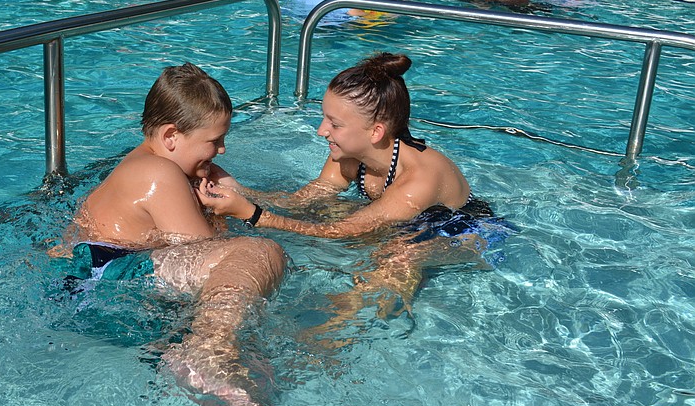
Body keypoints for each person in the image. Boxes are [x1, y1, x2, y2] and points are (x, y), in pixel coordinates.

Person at [54, 63, 287, 406]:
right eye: (214, 141)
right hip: (103, 272)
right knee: (259, 253)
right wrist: (221, 216)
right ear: (171, 136)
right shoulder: (159, 174)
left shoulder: (153, 163)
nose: (222, 150)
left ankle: (198, 355)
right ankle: (205, 350)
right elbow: (210, 252)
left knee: (258, 364)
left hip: (98, 276)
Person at [198, 53, 506, 321]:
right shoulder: (347, 155)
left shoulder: (418, 180)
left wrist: (253, 215)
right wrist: (237, 190)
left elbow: (342, 231)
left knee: (398, 255)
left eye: (334, 124)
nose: (322, 131)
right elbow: (300, 202)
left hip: (469, 232)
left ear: (376, 132)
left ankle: (346, 327)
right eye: (324, 118)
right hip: (407, 224)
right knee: (328, 211)